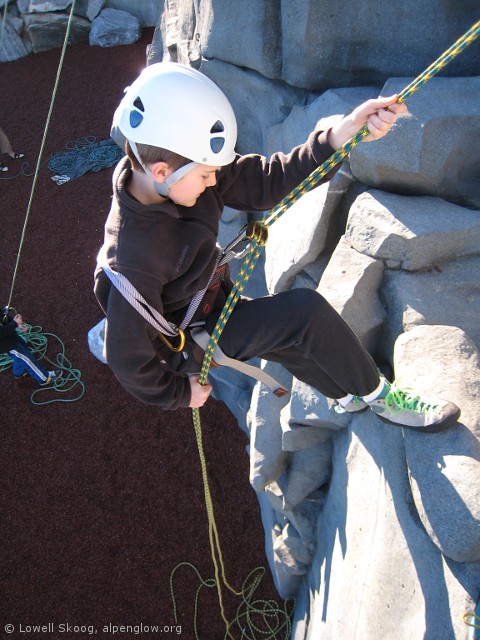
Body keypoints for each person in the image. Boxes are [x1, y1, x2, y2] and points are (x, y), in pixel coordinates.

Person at [94, 62, 460, 433]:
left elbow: (267, 180)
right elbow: (127, 358)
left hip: (209, 303)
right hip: (188, 340)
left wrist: (341, 135)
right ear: (160, 173)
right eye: (206, 175)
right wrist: (177, 393)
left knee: (288, 338)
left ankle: (348, 396)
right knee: (303, 313)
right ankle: (380, 397)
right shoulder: (133, 260)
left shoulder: (180, 168)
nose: (213, 181)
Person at [1, 307, 61, 385]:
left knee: (21, 354)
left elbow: (2, 316)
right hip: (6, 344)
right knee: (27, 358)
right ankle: (45, 378)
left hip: (9, 336)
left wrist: (17, 324)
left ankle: (18, 372)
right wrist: (14, 323)